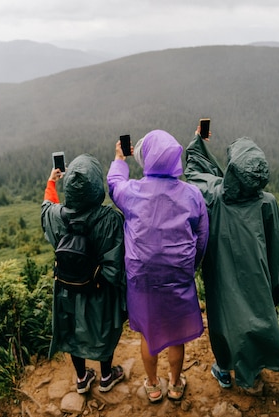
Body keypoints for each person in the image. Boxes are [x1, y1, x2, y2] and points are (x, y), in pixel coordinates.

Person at [184, 124, 279, 393]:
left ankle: (224, 368)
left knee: (222, 320)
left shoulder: (215, 195)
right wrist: (278, 285)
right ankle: (252, 375)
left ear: (232, 170)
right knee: (255, 318)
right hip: (257, 275)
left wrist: (198, 141)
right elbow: (277, 247)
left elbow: (194, 173)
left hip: (220, 274)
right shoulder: (267, 202)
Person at [107, 130, 209, 403]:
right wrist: (189, 269)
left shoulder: (132, 192)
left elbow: (114, 183)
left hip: (143, 279)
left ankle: (152, 385)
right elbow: (201, 240)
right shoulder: (193, 195)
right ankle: (175, 384)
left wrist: (119, 158)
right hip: (178, 277)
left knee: (149, 334)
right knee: (177, 335)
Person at [41, 154, 127, 394]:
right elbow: (118, 261)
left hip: (67, 288)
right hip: (99, 288)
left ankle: (81, 378)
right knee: (104, 328)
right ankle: (107, 376)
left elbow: (45, 208)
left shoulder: (57, 216)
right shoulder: (110, 219)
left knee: (71, 331)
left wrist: (51, 182)